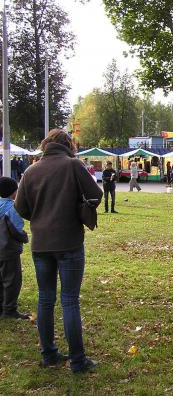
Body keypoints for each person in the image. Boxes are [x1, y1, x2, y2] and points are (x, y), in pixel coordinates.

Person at [14, 128, 102, 373]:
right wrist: (75, 207)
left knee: (45, 298)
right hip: (69, 242)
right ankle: (77, 360)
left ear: (45, 145)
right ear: (68, 145)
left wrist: (40, 218)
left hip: (41, 243)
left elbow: (20, 208)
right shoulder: (73, 166)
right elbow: (96, 194)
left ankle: (49, 353)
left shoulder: (30, 171)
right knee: (69, 300)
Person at [0, 177, 29, 319]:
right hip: (7, 250)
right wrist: (25, 237)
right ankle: (9, 309)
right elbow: (17, 229)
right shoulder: (12, 208)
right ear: (13, 192)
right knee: (11, 280)